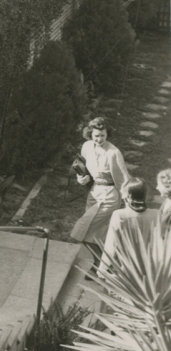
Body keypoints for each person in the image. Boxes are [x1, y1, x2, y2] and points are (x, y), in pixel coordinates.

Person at [70, 117, 130, 280]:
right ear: (90, 134)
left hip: (109, 196)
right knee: (97, 233)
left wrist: (128, 201)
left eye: (103, 135)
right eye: (96, 135)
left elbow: (123, 179)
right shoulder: (87, 146)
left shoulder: (113, 153)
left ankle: (101, 265)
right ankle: (104, 266)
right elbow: (83, 169)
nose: (99, 139)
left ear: (107, 134)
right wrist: (81, 179)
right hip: (94, 194)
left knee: (84, 229)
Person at [98, 177, 158, 274]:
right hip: (150, 270)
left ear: (127, 196)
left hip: (125, 270)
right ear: (145, 195)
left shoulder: (119, 215)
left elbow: (111, 245)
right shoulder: (156, 214)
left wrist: (103, 268)